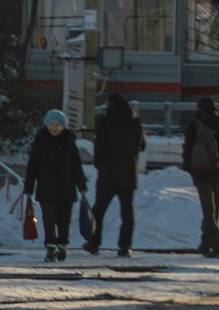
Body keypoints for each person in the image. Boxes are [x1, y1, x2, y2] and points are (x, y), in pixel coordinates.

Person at [86, 92, 146, 256]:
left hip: (107, 174)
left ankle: (93, 243)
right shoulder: (135, 123)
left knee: (98, 210)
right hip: (127, 175)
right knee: (127, 212)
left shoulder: (105, 122)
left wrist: (99, 165)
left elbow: (99, 146)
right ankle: (125, 246)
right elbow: (141, 146)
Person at [22, 108, 85, 264]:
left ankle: (62, 245)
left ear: (63, 126)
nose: (54, 127)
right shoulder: (40, 140)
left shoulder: (69, 142)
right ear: (46, 124)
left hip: (66, 188)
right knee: (49, 219)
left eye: (58, 124)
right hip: (46, 188)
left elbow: (76, 165)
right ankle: (51, 248)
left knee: (64, 220)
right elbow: (33, 165)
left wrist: (82, 186)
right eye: (51, 124)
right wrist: (28, 187)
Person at [182, 97, 219, 257]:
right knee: (214, 212)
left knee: (208, 212)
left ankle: (216, 247)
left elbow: (187, 149)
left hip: (201, 173)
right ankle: (205, 244)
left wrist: (191, 168)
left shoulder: (195, 125)